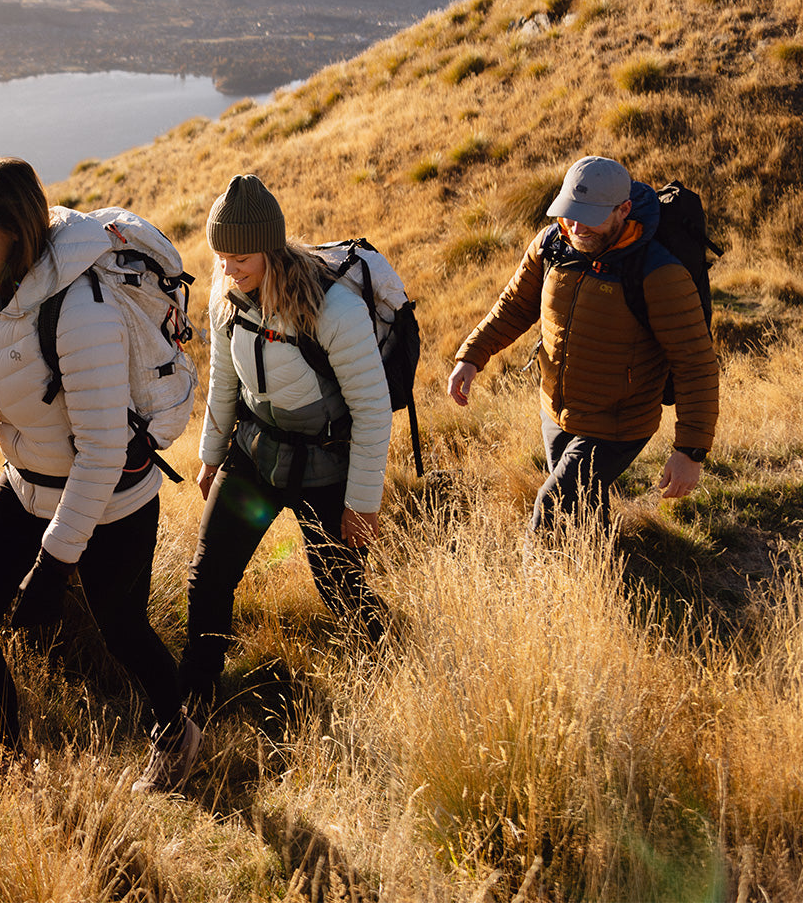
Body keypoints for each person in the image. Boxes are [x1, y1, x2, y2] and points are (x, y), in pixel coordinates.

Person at [0, 157, 199, 791]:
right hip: (27, 484)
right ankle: (3, 765)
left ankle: (176, 735)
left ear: (12, 226)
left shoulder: (82, 311)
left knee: (122, 629)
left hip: (110, 498)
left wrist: (54, 568)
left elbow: (104, 451)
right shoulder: (1, 288)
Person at [177, 175, 393, 710]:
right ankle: (194, 701)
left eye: (241, 256)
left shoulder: (332, 310)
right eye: (220, 255)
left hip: (325, 467)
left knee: (341, 588)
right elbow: (224, 383)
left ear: (272, 246)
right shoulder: (225, 295)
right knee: (208, 578)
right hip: (252, 456)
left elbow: (371, 412)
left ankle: (393, 667)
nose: (228, 268)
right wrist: (209, 457)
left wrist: (361, 505)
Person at [447, 155, 719, 537]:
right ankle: (601, 574)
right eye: (569, 213)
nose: (575, 227)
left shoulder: (659, 273)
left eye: (588, 216)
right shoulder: (552, 245)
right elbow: (513, 306)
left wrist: (690, 451)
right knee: (581, 510)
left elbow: (695, 363)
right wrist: (472, 357)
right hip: (556, 412)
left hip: (618, 423)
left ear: (623, 210)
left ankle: (537, 594)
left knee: (552, 507)